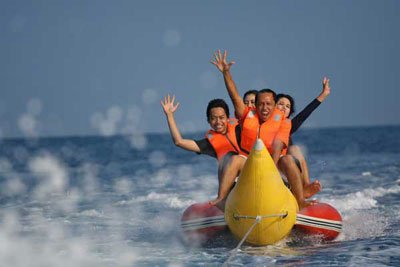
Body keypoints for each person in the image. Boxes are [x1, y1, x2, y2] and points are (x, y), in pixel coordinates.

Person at [210, 50, 320, 209]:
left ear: (275, 105)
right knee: (234, 159)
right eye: (261, 103)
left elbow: (278, 144)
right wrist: (226, 73)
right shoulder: (247, 114)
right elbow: (234, 96)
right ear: (256, 104)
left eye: (269, 104)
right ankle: (222, 199)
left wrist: (271, 169)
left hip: (274, 164)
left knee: (288, 159)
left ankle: (300, 199)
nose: (264, 107)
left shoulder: (283, 121)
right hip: (249, 161)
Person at [161, 95, 245, 209]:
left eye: (221, 117)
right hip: (235, 188)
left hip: (251, 174)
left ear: (228, 118)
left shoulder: (241, 129)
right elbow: (179, 142)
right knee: (228, 158)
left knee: (236, 158)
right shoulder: (209, 144)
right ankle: (224, 200)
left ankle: (222, 198)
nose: (218, 122)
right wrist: (170, 116)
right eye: (214, 118)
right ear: (209, 121)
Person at [275, 78, 330, 190]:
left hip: (284, 168)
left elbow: (305, 113)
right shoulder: (262, 124)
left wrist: (323, 95)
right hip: (265, 165)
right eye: (280, 104)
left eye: (287, 106)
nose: (284, 107)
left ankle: (305, 185)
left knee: (294, 149)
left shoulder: (288, 125)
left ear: (290, 112)